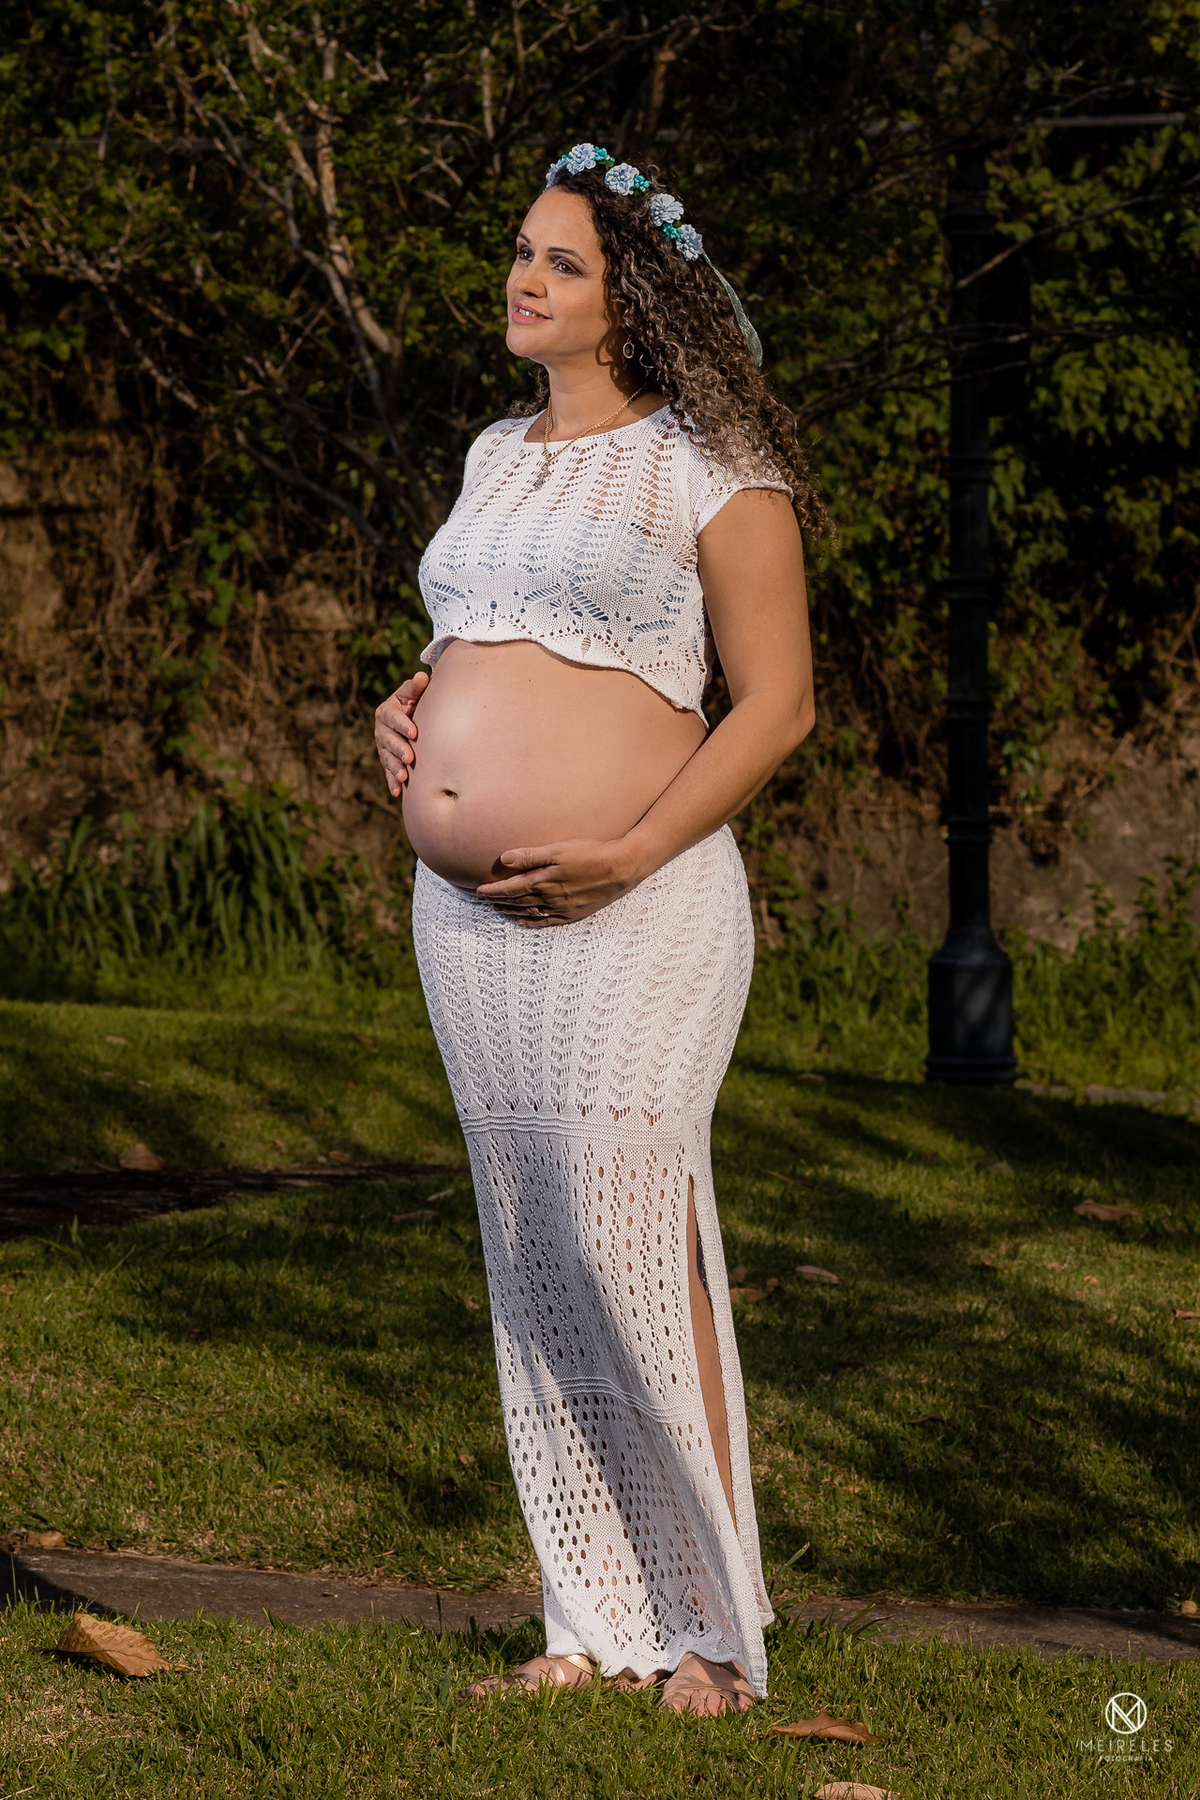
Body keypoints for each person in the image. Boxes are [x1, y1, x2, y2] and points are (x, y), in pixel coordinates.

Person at [373, 142, 818, 1715]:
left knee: (638, 1250)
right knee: (538, 1253)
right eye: (521, 254)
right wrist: (409, 716)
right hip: (468, 922)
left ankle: (715, 1636)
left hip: (642, 909)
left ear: (637, 301)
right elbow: (471, 648)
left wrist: (627, 848)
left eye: (561, 263)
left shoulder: (712, 466)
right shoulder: (497, 453)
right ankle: (588, 1619)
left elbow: (776, 708)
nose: (526, 279)